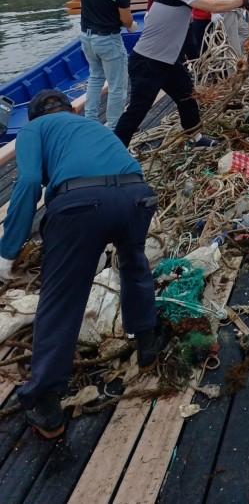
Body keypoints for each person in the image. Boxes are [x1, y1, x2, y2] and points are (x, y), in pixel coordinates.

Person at [0, 90, 159, 439]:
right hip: (136, 196)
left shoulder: (33, 130)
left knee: (62, 298)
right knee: (134, 264)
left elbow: (27, 184)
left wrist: (7, 253)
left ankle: (45, 403)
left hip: (80, 206)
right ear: (68, 108)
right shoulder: (92, 125)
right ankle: (147, 342)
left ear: (34, 117)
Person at [114, 0, 249, 148]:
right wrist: (244, 0)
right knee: (138, 110)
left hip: (168, 60)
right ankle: (115, 151)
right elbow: (213, 5)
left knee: (188, 96)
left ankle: (195, 138)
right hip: (148, 62)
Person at [75, 0, 137, 129]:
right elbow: (126, 19)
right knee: (118, 85)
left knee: (95, 77)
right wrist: (133, 26)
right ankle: (114, 127)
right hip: (108, 39)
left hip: (87, 36)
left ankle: (90, 122)